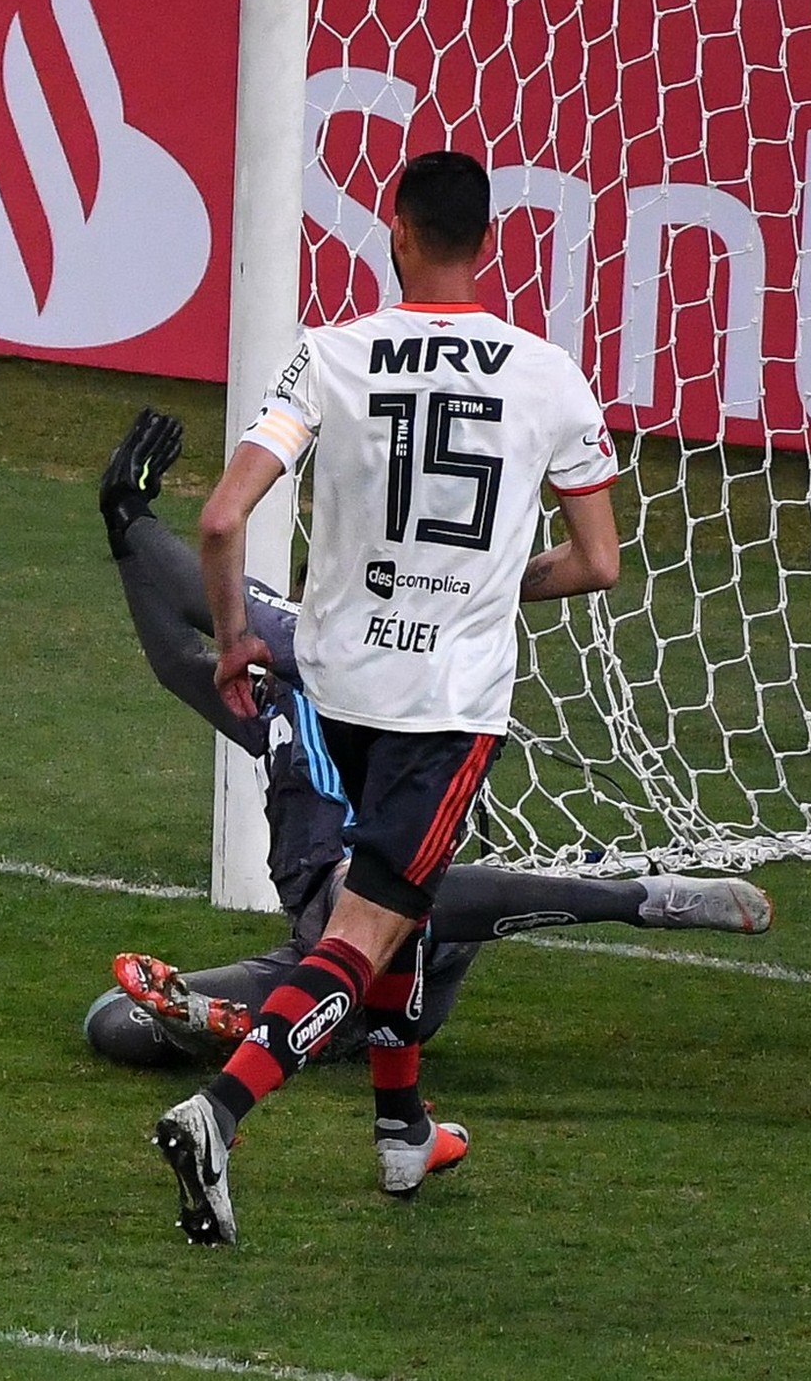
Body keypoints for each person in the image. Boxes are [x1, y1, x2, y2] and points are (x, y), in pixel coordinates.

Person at [154, 150, 628, 1246]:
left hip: (335, 683)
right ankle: (217, 1112)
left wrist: (235, 640)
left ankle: (402, 1129)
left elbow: (223, 520)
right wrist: (495, 583)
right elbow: (597, 562)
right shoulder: (549, 374)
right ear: (491, 246)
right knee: (364, 928)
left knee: (400, 900)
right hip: (444, 701)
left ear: (395, 232)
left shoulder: (330, 354)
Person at [82, 407, 771, 1074]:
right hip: (326, 948)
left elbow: (205, 596)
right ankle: (297, 1031)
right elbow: (177, 661)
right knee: (112, 1020)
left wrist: (130, 519)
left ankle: (645, 900)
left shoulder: (332, 639)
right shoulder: (273, 698)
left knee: (391, 890)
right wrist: (121, 537)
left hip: (384, 914)